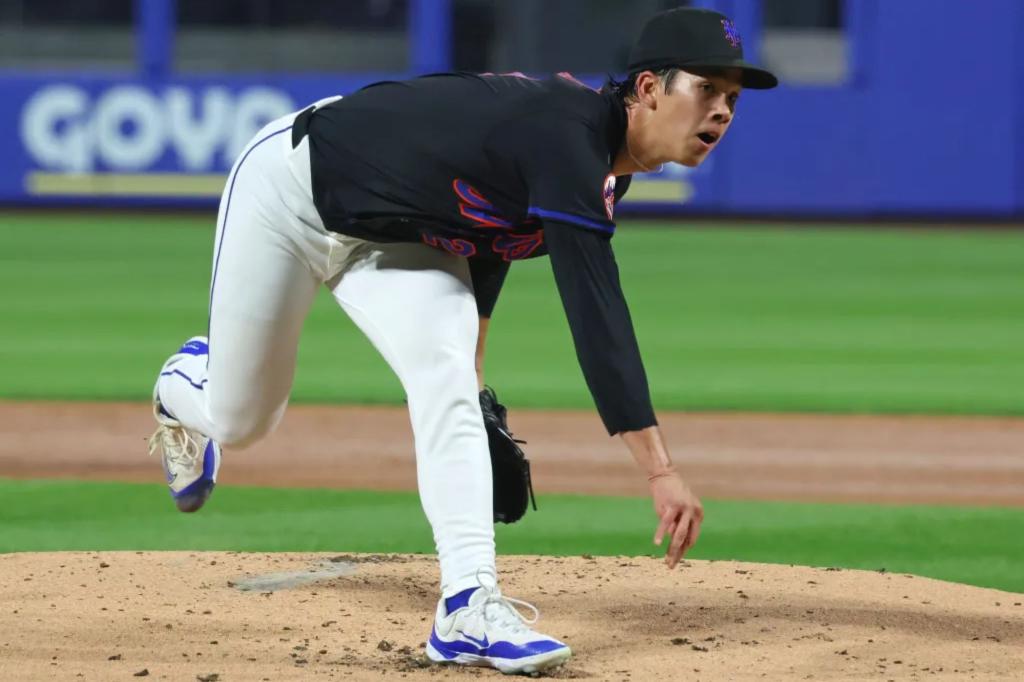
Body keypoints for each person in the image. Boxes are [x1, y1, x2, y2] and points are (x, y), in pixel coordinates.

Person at [146, 7, 776, 674]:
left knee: (446, 377)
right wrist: (659, 471)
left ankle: (467, 608)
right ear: (649, 88)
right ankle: (183, 384)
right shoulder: (571, 137)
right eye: (706, 89)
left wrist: (474, 383)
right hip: (292, 191)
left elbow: (493, 235)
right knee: (241, 421)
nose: (722, 110)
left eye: (732, 98)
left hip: (397, 237)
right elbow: (597, 313)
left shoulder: (602, 168)